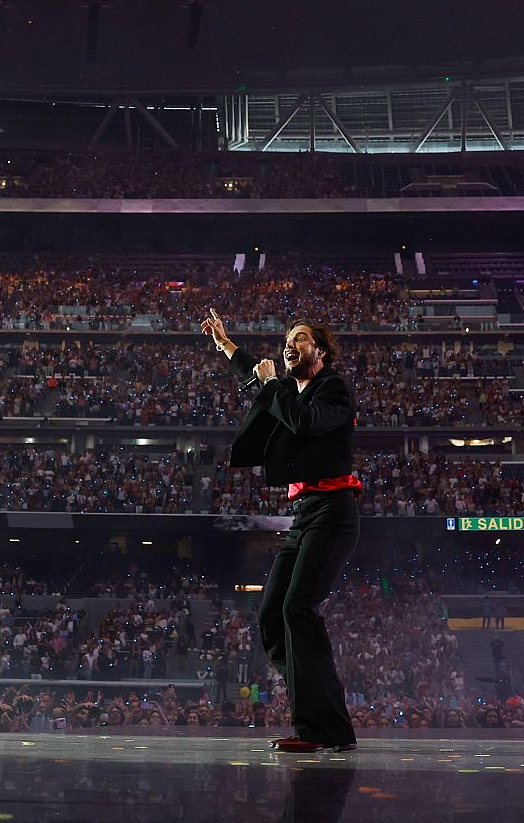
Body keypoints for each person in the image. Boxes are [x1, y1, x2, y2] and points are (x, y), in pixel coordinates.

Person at [202, 309, 360, 754]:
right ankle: (324, 715)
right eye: (288, 339)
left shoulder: (334, 389)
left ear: (321, 351)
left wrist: (271, 384)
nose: (290, 344)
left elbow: (304, 422)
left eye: (301, 339)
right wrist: (225, 344)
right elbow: (261, 373)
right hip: (305, 513)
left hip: (333, 511)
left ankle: (317, 727)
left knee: (297, 608)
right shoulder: (289, 388)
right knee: (273, 614)